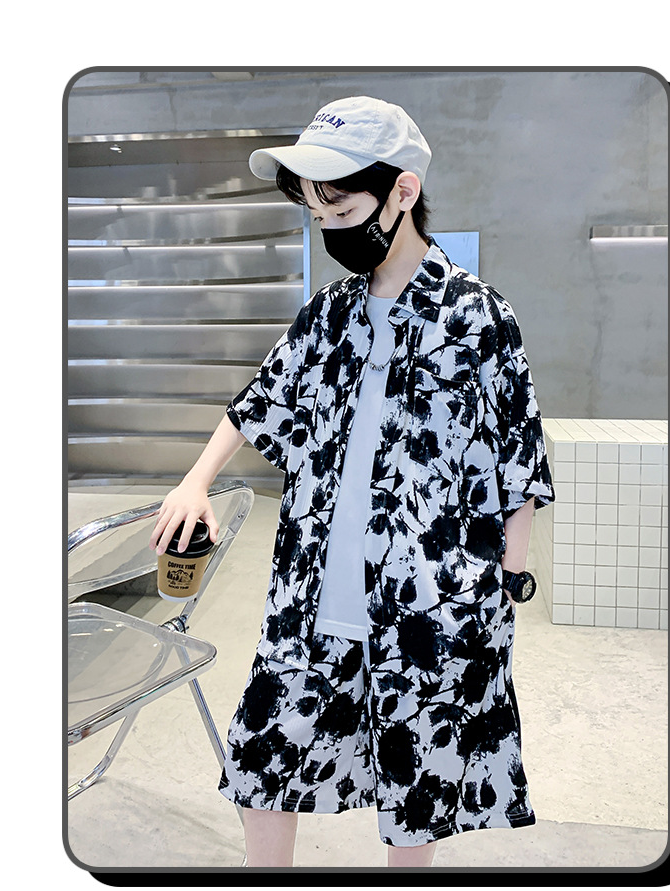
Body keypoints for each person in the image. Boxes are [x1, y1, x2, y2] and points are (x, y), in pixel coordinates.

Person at [149, 96, 555, 868]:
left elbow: (519, 462)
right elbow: (262, 398)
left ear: (403, 191)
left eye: (341, 210)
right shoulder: (329, 314)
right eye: (316, 213)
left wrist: (505, 586)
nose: (329, 229)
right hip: (313, 595)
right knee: (262, 757)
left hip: (431, 605)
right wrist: (195, 480)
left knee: (418, 784)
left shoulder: (477, 317)